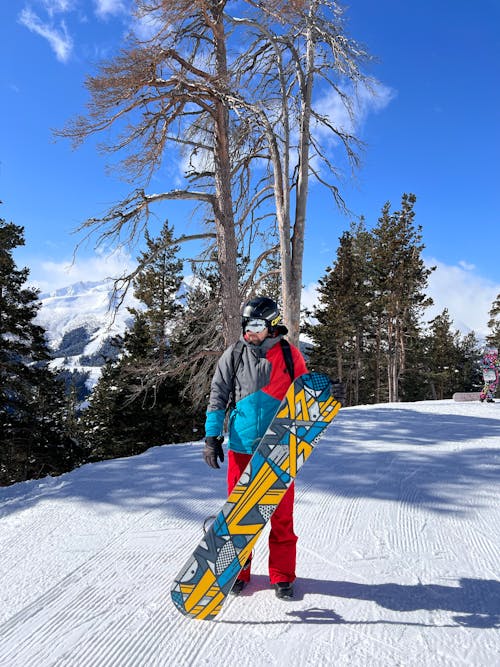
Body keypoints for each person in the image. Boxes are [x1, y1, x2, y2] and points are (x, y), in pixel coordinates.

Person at [203, 296, 309, 600]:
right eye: (247, 324)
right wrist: (212, 438)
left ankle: (283, 576)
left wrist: (330, 391)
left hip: (280, 447)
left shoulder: (290, 356)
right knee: (239, 514)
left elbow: (307, 392)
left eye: (258, 325)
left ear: (271, 325)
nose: (251, 330)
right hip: (241, 446)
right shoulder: (233, 355)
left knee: (281, 515)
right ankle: (238, 571)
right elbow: (217, 397)